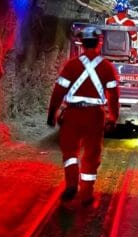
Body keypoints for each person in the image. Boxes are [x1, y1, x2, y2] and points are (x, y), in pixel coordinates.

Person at [47, 26, 120, 204]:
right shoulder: (107, 67)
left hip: (73, 114)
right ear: (99, 43)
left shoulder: (71, 65)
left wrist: (52, 113)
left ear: (81, 42)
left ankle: (71, 184)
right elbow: (113, 95)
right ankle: (86, 193)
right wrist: (113, 117)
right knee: (91, 155)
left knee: (70, 152)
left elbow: (58, 91)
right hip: (95, 116)